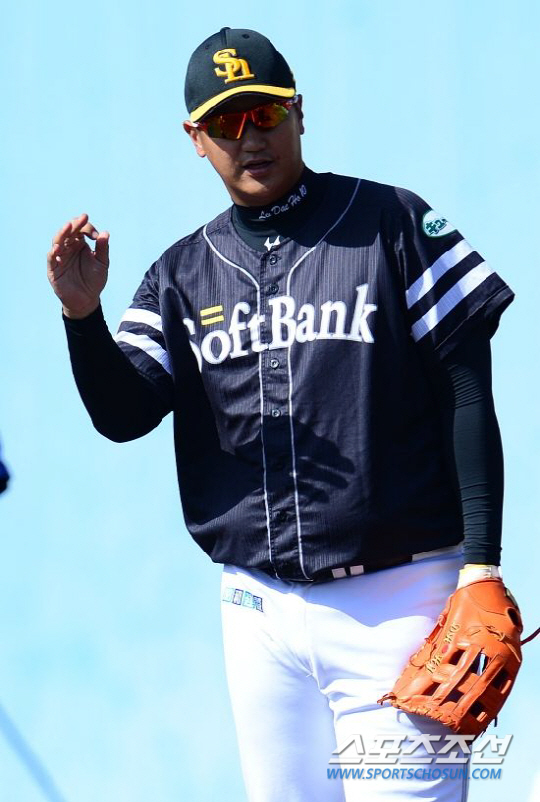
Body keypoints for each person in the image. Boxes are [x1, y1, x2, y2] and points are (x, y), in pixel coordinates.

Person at [47, 27, 515, 802]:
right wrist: (82, 316)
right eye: (225, 123)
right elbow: (124, 415)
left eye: (263, 113)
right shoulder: (180, 274)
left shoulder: (391, 223)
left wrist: (482, 564)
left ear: (298, 111)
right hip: (257, 613)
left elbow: (468, 390)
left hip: (401, 603)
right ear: (196, 139)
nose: (249, 137)